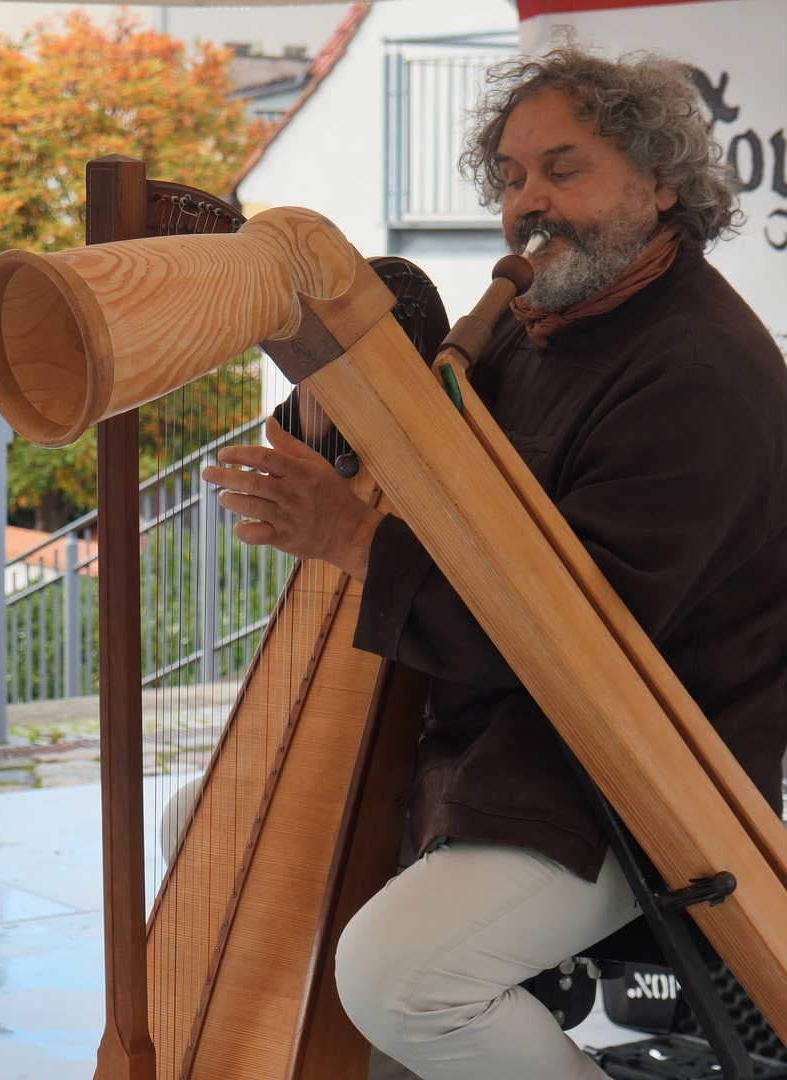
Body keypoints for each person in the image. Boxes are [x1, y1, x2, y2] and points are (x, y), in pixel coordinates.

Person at [204, 46, 787, 1080]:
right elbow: (441, 470)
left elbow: (575, 638)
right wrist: (332, 407)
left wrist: (348, 536)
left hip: (637, 774)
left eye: (565, 170)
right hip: (516, 729)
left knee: (397, 975)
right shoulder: (540, 321)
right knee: (214, 837)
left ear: (659, 185)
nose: (530, 204)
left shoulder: (697, 373)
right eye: (513, 177)